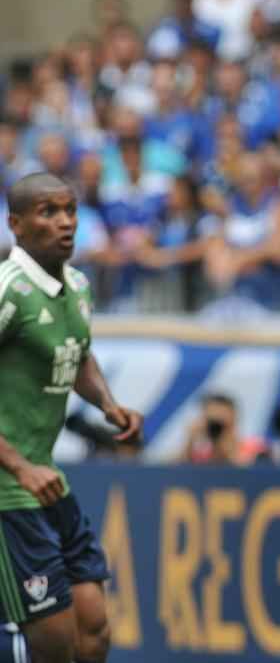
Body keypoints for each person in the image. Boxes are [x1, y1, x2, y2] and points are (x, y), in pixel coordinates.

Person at [0, 172, 145, 663]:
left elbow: (77, 353)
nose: (65, 223)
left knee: (94, 629)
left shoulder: (78, 285)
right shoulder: (8, 291)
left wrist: (107, 402)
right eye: (48, 212)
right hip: (7, 490)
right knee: (55, 643)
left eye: (70, 211)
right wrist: (20, 466)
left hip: (48, 481)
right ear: (16, 224)